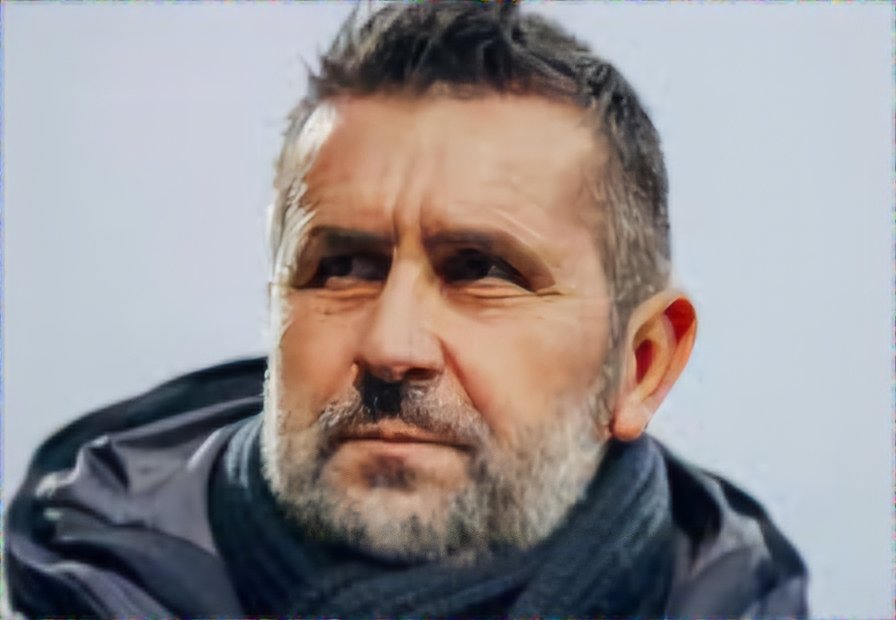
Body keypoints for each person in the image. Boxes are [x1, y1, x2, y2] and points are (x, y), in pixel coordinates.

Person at [4, 2, 808, 617]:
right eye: (342, 269)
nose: (391, 347)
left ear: (639, 367)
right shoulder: (69, 581)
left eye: (480, 270)